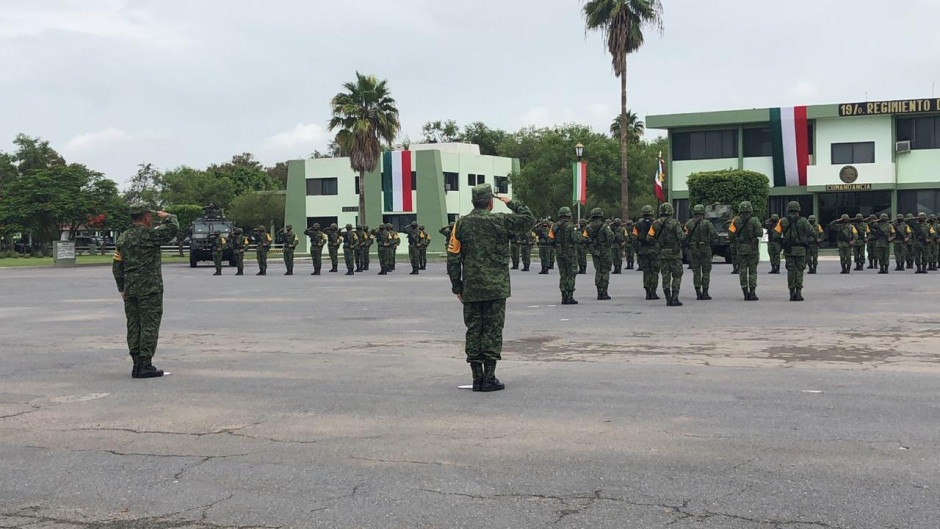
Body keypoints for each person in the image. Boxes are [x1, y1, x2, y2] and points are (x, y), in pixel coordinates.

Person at [447, 184, 534, 392]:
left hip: (471, 287)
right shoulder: (501, 221)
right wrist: (511, 202)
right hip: (496, 288)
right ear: (490, 202)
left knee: (474, 330)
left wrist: (457, 286)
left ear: (472, 202)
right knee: (493, 330)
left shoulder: (460, 224)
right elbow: (528, 219)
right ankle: (489, 377)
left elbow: (453, 257)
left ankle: (477, 378)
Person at [112, 203, 179, 378]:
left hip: (131, 289)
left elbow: (117, 265)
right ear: (147, 217)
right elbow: (173, 228)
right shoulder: (151, 235)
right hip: (150, 288)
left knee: (134, 326)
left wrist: (121, 287)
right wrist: (167, 216)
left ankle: (136, 364)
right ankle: (145, 364)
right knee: (149, 325)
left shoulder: (123, 238)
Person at [776, 201, 815, 302]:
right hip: (801, 250)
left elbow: (776, 234)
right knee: (799, 270)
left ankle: (791, 292)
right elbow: (812, 232)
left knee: (790, 271)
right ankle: (798, 293)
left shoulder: (783, 221)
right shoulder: (803, 221)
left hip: (788, 250)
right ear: (798, 209)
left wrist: (784, 241)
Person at [650, 202, 685, 306]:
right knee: (677, 275)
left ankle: (667, 298)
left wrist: (658, 243)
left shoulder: (655, 223)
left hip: (662, 253)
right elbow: (681, 237)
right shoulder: (675, 223)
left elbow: (649, 237)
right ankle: (675, 298)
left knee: (665, 275)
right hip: (675, 253)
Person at [729, 201, 763, 301]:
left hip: (741, 249)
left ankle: (745, 293)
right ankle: (752, 293)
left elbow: (731, 234)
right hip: (752, 249)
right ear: (750, 209)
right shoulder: (755, 220)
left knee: (742, 271)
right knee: (752, 272)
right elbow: (760, 233)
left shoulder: (736, 221)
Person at [549, 207, 582, 305]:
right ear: (569, 215)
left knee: (563, 274)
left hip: (559, 254)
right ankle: (570, 296)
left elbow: (550, 240)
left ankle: (563, 297)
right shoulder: (571, 226)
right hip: (570, 253)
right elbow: (577, 239)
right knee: (571, 274)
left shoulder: (554, 226)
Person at [684, 204, 718, 300]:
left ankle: (698, 293)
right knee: (706, 272)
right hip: (705, 250)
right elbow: (714, 234)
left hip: (693, 250)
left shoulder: (689, 224)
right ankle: (705, 292)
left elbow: (684, 236)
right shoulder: (707, 223)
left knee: (696, 272)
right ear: (703, 213)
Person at [584, 208, 614, 300]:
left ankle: (598, 291)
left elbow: (585, 238)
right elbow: (611, 236)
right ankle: (604, 292)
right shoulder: (605, 226)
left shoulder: (588, 227)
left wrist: (591, 246)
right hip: (604, 250)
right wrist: (607, 245)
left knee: (598, 270)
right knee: (605, 271)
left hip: (595, 251)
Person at [634, 205, 660, 300]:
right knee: (654, 271)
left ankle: (647, 292)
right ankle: (653, 292)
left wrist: (637, 250)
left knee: (646, 272)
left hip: (643, 250)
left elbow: (634, 237)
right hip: (654, 250)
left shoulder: (638, 224)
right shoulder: (656, 223)